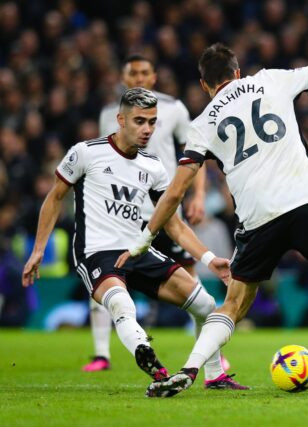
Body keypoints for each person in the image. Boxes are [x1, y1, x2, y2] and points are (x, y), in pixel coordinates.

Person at [118, 43, 308, 398]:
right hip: (305, 200)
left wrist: (144, 238)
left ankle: (189, 370)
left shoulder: (203, 123)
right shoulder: (269, 80)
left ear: (204, 85)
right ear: (236, 72)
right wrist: (297, 80)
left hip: (256, 218)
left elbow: (174, 194)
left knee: (232, 306)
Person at [22, 88, 246, 390]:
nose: (147, 129)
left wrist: (208, 259)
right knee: (122, 304)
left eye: (152, 122)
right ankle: (147, 355)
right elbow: (54, 198)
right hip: (97, 252)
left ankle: (214, 375)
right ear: (120, 119)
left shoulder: (153, 166)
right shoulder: (86, 152)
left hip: (138, 250)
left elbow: (174, 225)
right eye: (140, 121)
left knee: (205, 305)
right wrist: (38, 249)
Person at [86, 55, 233, 379]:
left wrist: (195, 196)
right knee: (105, 281)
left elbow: (196, 153)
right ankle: (101, 352)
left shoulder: (175, 109)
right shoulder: (109, 115)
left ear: (154, 76)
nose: (138, 77)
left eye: (144, 71)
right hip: (123, 215)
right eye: (132, 72)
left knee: (192, 284)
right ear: (124, 77)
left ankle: (211, 359)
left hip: (166, 208)